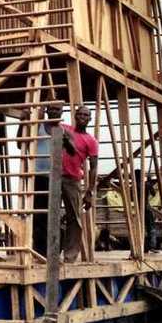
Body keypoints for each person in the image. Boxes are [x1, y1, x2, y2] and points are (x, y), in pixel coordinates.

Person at [58, 105, 99, 263]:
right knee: (50, 216)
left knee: (74, 218)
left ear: (89, 119)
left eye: (86, 115)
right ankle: (49, 253)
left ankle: (69, 256)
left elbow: (94, 167)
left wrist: (90, 192)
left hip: (72, 180)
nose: (82, 117)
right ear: (75, 116)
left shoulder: (91, 141)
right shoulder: (64, 128)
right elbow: (49, 122)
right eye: (80, 114)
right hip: (55, 177)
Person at [32, 105, 62, 256]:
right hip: (38, 176)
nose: (54, 112)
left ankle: (53, 249)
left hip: (55, 177)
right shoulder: (39, 126)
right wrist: (32, 119)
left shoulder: (63, 130)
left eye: (58, 109)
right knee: (38, 215)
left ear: (62, 112)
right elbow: (20, 142)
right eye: (52, 109)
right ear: (47, 111)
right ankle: (39, 250)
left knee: (54, 214)